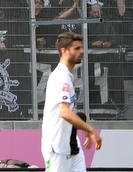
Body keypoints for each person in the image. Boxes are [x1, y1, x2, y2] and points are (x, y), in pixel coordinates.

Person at [40, 33, 101, 172]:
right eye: (77, 48)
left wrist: (84, 127)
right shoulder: (60, 76)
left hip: (71, 143)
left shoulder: (67, 75)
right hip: (57, 147)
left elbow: (70, 111)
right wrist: (90, 129)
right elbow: (65, 112)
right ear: (64, 51)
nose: (82, 51)